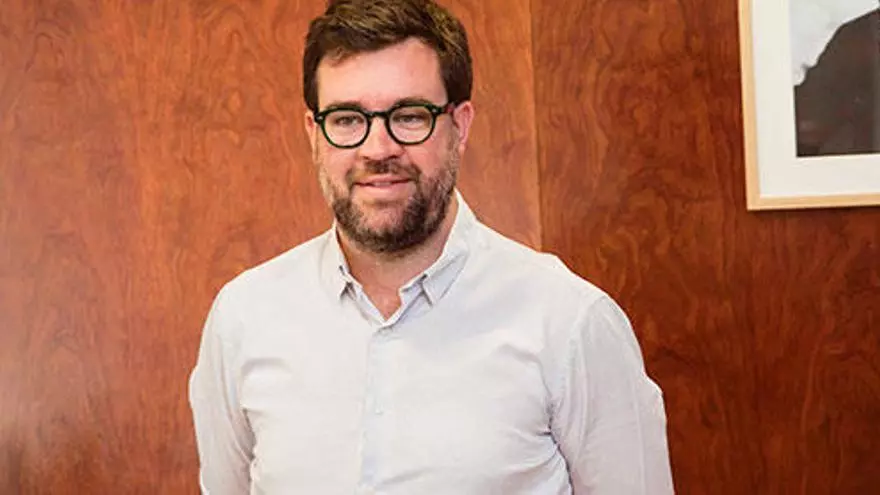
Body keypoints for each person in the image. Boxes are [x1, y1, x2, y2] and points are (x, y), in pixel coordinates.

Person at [188, 0, 674, 493]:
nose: (378, 149)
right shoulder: (244, 319)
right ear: (313, 133)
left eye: (409, 116)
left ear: (459, 126)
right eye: (347, 119)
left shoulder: (570, 322)